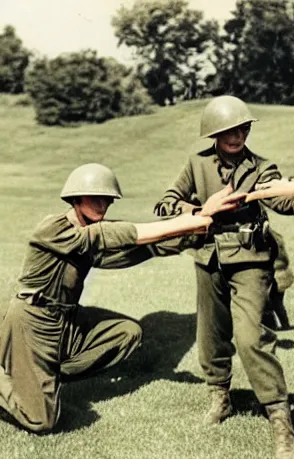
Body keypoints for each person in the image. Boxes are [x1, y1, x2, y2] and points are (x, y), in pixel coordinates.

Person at [0, 162, 242, 433]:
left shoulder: (92, 236)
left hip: (66, 320)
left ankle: (41, 376)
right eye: (96, 198)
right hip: (31, 320)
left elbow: (143, 247)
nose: (103, 205)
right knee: (42, 420)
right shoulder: (55, 229)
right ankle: (21, 376)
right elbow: (113, 235)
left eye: (107, 199)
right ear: (75, 198)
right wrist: (197, 217)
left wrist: (199, 228)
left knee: (127, 333)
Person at [154, 95, 294, 459]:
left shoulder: (262, 167)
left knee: (251, 338)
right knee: (211, 335)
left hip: (251, 260)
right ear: (214, 133)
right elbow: (165, 204)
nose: (237, 135)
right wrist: (202, 210)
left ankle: (281, 419)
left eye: (243, 129)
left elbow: (282, 198)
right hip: (208, 258)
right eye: (230, 130)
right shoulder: (196, 164)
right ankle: (220, 396)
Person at [262, 228, 294, 330]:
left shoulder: (267, 239)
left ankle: (271, 326)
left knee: (270, 302)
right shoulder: (277, 237)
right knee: (278, 302)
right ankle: (285, 324)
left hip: (277, 276)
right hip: (284, 274)